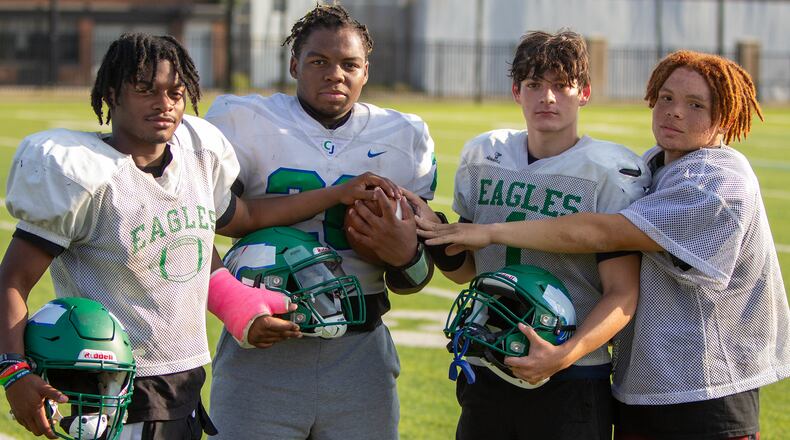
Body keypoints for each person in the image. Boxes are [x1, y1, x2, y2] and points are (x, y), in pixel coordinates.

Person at [0, 32, 397, 440]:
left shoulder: (196, 156)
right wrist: (14, 371)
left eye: (176, 92)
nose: (165, 103)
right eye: (146, 90)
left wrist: (335, 194)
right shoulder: (82, 173)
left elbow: (238, 221)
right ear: (112, 94)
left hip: (185, 386)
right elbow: (11, 281)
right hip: (111, 387)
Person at [419, 50, 790, 440]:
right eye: (666, 98)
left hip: (707, 390)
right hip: (642, 387)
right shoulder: (656, 164)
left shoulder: (716, 181)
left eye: (695, 104)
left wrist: (491, 232)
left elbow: (601, 233)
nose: (674, 112)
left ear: (726, 116)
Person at [400, 29, 649, 440]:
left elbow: (622, 294)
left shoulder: (609, 171)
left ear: (584, 93)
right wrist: (436, 234)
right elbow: (467, 272)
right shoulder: (486, 154)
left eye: (561, 85)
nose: (547, 97)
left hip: (571, 373)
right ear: (517, 91)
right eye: (534, 84)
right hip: (488, 358)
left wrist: (562, 355)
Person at [203, 4, 437, 439]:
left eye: (349, 64)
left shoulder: (403, 136)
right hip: (265, 344)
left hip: (359, 347)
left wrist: (405, 255)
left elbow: (416, 278)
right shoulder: (244, 120)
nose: (335, 75)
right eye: (318, 61)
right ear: (294, 65)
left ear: (365, 71)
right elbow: (213, 220)